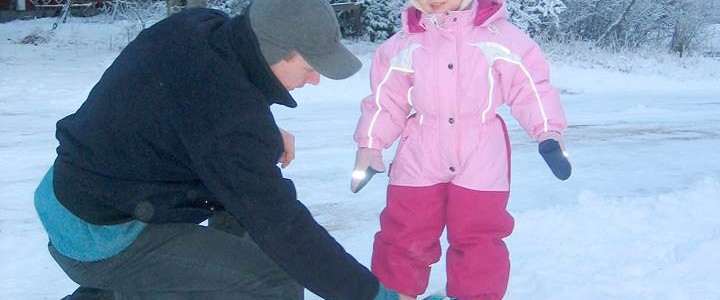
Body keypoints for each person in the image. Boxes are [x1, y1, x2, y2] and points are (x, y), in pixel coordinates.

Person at [33, 0, 403, 299]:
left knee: (239, 221)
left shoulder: (199, 26)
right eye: (309, 66)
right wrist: (371, 294)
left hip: (73, 191)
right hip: (98, 237)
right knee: (275, 283)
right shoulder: (232, 124)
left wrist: (267, 134)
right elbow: (285, 230)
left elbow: (183, 103)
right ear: (277, 51)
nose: (315, 78)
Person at [350, 0, 572, 299]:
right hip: (420, 151)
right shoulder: (402, 44)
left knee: (479, 234)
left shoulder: (500, 36)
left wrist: (548, 131)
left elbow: (531, 87)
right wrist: (370, 144)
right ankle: (395, 294)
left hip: (481, 151)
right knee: (404, 230)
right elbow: (385, 101)